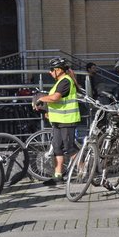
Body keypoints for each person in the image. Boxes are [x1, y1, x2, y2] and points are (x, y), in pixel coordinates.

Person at [35, 57, 81, 185]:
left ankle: (84, 172)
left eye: (51, 70)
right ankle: (58, 176)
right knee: (57, 148)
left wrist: (42, 99)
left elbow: (55, 97)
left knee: (70, 148)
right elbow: (58, 101)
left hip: (67, 120)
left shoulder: (65, 81)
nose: (50, 72)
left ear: (58, 70)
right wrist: (49, 111)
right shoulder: (59, 81)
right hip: (58, 120)